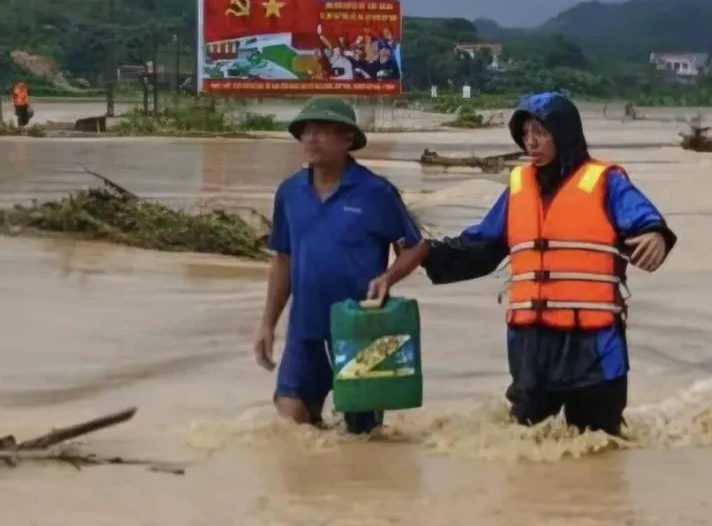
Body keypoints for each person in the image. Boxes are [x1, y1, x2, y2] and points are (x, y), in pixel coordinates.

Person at [421, 91, 677, 435]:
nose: (531, 142)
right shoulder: (518, 188)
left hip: (595, 344)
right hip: (532, 342)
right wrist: (425, 253)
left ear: (564, 132)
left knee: (600, 445)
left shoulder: (606, 181)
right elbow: (481, 245)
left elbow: (644, 220)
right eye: (525, 134)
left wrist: (656, 235)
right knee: (526, 439)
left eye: (540, 132)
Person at [254, 96, 429, 433]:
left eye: (321, 130)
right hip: (304, 327)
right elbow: (283, 260)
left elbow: (415, 247)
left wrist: (388, 277)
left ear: (347, 139)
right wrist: (267, 324)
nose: (310, 139)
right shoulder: (289, 193)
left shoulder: (376, 192)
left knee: (362, 434)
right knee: (292, 421)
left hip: (361, 328)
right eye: (306, 131)